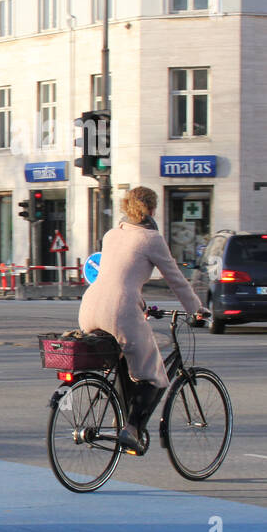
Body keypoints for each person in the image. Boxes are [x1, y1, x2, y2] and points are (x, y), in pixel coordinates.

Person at [78, 186, 209, 453]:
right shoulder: (151, 239)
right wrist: (197, 308)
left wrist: (141, 305)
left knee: (128, 360)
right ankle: (132, 429)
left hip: (89, 307)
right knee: (154, 374)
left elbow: (121, 274)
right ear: (152, 209)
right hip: (120, 311)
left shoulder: (112, 234)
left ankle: (121, 414)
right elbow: (176, 280)